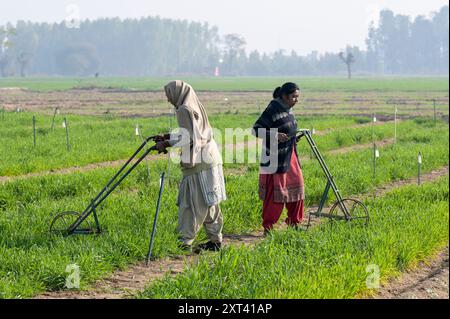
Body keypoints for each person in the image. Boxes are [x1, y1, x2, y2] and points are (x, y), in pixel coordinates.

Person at [154, 80, 226, 252]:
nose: (168, 99)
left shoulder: (183, 110)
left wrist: (166, 144)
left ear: (177, 93)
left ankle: (184, 242)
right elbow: (194, 133)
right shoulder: (195, 104)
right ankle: (215, 240)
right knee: (210, 200)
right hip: (211, 157)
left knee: (191, 202)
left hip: (199, 162)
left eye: (169, 95)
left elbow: (190, 138)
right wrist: (168, 137)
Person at [252, 82, 305, 235]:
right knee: (276, 194)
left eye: (297, 97)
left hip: (290, 156)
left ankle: (294, 223)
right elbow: (256, 130)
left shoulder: (288, 110)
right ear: (284, 96)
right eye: (294, 97)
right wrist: (274, 135)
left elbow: (287, 129)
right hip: (275, 160)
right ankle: (268, 227)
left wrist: (292, 139)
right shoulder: (273, 109)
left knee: (297, 189)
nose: (296, 100)